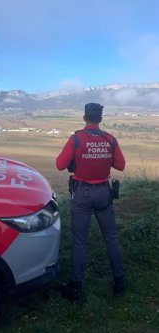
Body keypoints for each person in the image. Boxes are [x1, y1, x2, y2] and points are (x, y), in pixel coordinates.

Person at [56, 103, 126, 304]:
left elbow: (60, 165)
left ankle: (76, 289)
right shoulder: (110, 139)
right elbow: (120, 165)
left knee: (79, 241)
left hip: (82, 194)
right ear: (101, 120)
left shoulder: (76, 139)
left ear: (84, 117)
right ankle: (119, 283)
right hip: (104, 193)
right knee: (111, 238)